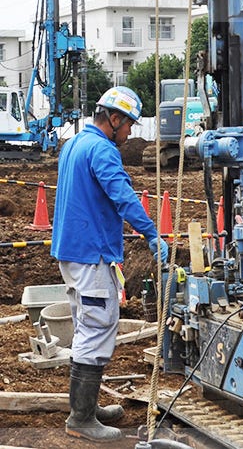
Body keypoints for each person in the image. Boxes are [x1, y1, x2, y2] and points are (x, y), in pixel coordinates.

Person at [51, 86, 169, 442]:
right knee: (98, 325)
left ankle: (86, 409)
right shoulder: (102, 150)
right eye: (129, 124)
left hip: (71, 251)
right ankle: (81, 418)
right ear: (114, 119)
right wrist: (151, 233)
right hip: (91, 252)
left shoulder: (73, 144)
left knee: (86, 324)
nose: (130, 132)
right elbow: (123, 196)